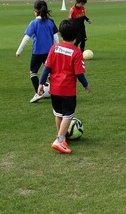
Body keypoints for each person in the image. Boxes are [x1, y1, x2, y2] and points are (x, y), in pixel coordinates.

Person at [37, 19, 91, 153]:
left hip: (54, 89)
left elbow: (46, 68)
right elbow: (79, 73)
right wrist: (86, 85)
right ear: (76, 35)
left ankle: (61, 137)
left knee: (58, 113)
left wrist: (41, 84)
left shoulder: (54, 48)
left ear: (60, 34)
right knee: (68, 115)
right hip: (67, 90)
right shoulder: (76, 52)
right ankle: (60, 140)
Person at [16, 0, 59, 103]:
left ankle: (38, 93)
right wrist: (57, 49)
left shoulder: (34, 23)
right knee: (50, 72)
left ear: (35, 10)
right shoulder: (50, 22)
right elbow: (56, 38)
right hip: (49, 53)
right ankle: (57, 93)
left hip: (37, 53)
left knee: (33, 72)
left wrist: (19, 51)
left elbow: (26, 38)